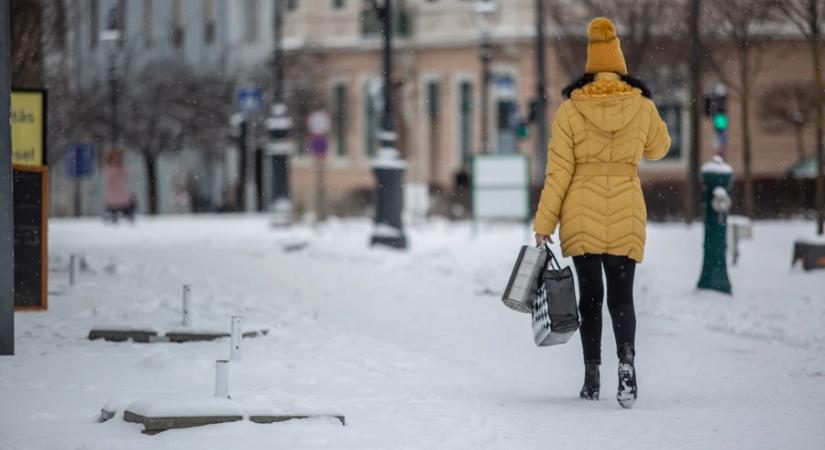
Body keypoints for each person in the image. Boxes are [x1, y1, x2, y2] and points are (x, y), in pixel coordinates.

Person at [533, 17, 671, 408]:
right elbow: (659, 149)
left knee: (590, 297)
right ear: (621, 61)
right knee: (622, 297)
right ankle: (626, 365)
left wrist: (545, 223)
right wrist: (647, 108)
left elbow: (558, 172)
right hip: (626, 208)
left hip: (580, 210)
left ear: (589, 66)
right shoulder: (641, 106)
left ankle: (591, 377)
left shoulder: (570, 111)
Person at [104, 149, 135, 223]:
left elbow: (127, 174)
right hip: (113, 190)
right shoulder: (109, 167)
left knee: (125, 203)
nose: (116, 159)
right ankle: (114, 215)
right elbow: (109, 177)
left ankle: (126, 215)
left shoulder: (121, 166)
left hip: (121, 189)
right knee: (114, 205)